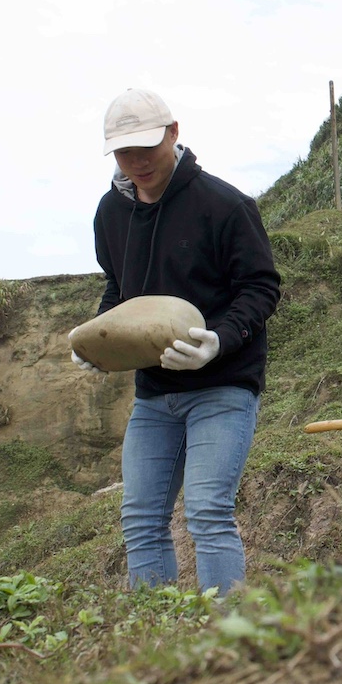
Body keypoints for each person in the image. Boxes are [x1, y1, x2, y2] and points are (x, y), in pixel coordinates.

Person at [70, 87, 281, 596]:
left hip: (223, 386)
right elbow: (118, 289)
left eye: (147, 146)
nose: (137, 162)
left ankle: (227, 638)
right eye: (124, 152)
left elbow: (261, 286)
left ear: (174, 133)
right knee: (141, 519)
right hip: (155, 395)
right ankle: (157, 637)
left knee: (208, 511)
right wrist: (103, 340)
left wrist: (221, 340)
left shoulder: (225, 205)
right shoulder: (110, 213)